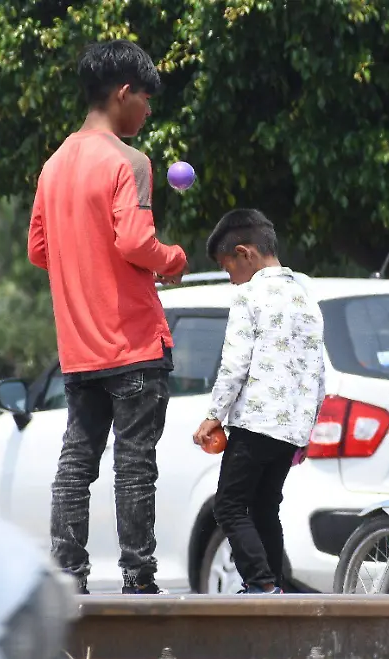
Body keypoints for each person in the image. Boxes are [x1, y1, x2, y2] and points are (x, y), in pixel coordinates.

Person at [27, 39, 188, 595]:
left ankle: (69, 578)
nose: (147, 111)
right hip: (134, 342)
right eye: (145, 99)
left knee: (77, 462)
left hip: (79, 349)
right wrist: (173, 260)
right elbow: (136, 240)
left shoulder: (52, 167)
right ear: (123, 94)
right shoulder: (130, 162)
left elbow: (39, 250)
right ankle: (139, 581)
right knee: (135, 463)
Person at [192, 209, 326, 595]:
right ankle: (275, 586)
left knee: (229, 506)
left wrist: (213, 416)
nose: (230, 277)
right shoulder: (306, 296)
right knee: (265, 507)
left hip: (255, 423)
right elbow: (319, 373)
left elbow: (234, 365)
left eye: (227, 266)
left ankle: (262, 583)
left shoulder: (249, 295)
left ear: (245, 253)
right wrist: (306, 429)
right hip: (290, 428)